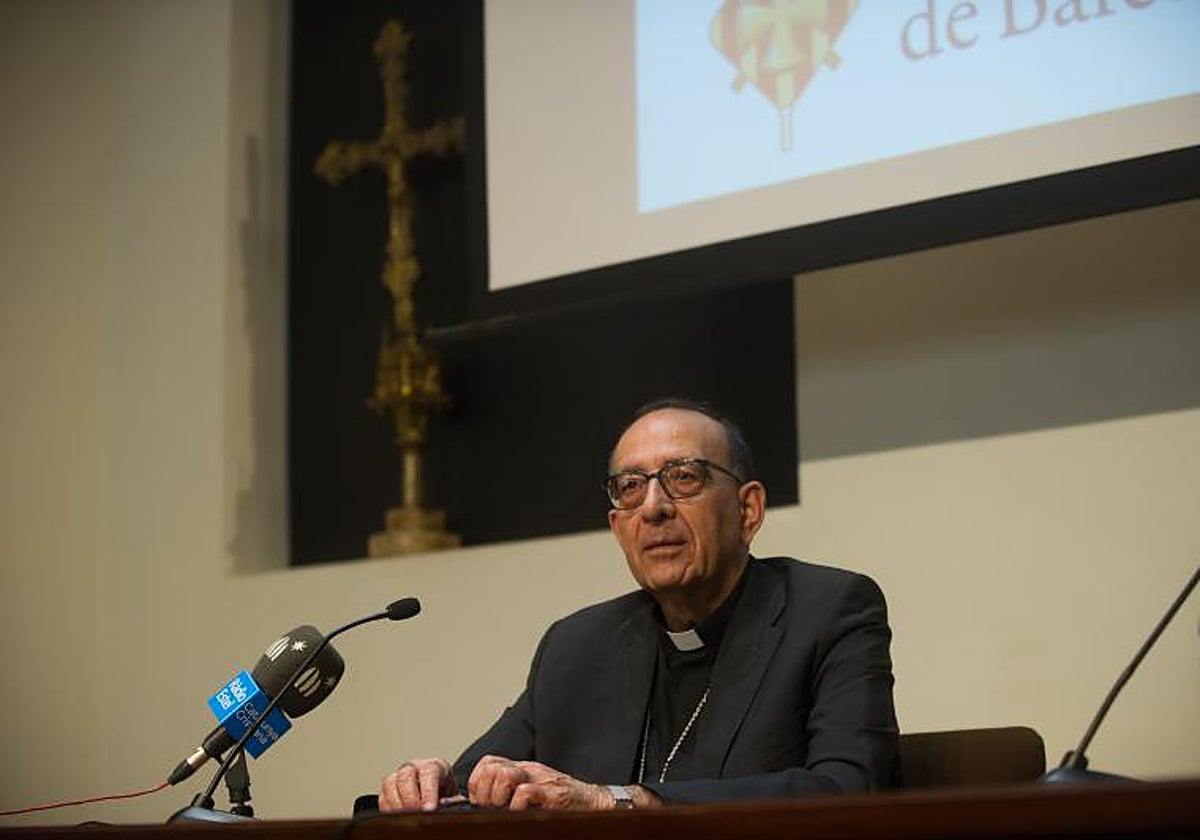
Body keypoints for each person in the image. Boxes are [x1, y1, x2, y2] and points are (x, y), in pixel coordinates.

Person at [379, 398, 897, 811]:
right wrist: (432, 784)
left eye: (684, 477)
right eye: (631, 487)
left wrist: (624, 801)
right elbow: (478, 783)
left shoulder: (829, 611)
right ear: (617, 527)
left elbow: (848, 792)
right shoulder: (576, 646)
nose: (653, 508)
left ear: (748, 509)